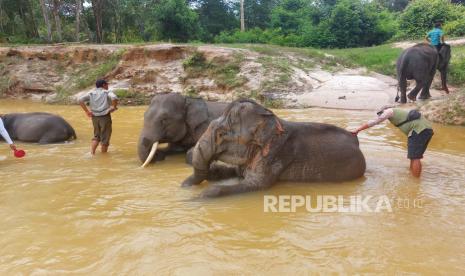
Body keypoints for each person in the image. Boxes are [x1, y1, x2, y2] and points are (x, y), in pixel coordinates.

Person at [351, 106, 434, 178]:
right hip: (427, 130)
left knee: (415, 157)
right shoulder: (400, 112)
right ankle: (413, 176)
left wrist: (358, 129)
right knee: (414, 156)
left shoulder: (389, 111)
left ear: (384, 110)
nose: (380, 116)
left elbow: (374, 122)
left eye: (380, 113)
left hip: (418, 131)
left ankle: (415, 182)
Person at [79, 79, 118, 155]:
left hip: (94, 117)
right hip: (105, 116)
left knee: (96, 136)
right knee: (105, 138)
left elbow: (80, 100)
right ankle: (103, 156)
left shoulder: (91, 93)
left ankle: (92, 153)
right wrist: (113, 107)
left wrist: (87, 111)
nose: (107, 86)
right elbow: (114, 98)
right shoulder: (106, 92)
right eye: (107, 85)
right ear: (103, 85)